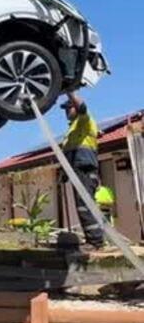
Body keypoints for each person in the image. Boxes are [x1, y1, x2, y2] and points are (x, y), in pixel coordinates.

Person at [61, 93, 104, 249]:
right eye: (65, 109)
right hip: (77, 170)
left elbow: (83, 107)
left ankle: (96, 241)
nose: (66, 112)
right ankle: (93, 239)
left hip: (85, 168)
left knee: (85, 205)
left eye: (68, 108)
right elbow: (69, 152)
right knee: (83, 205)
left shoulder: (84, 120)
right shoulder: (71, 129)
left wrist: (70, 92)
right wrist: (64, 173)